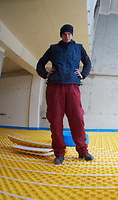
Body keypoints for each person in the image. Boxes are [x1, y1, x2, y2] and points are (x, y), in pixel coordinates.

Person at [36, 24, 94, 165]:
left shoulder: (79, 48)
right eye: (64, 34)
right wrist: (46, 74)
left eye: (69, 34)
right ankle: (59, 153)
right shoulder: (53, 49)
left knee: (77, 118)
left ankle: (82, 151)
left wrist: (83, 74)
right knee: (55, 121)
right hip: (55, 88)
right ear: (61, 35)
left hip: (73, 87)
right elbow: (40, 64)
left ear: (72, 35)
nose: (67, 36)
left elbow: (87, 63)